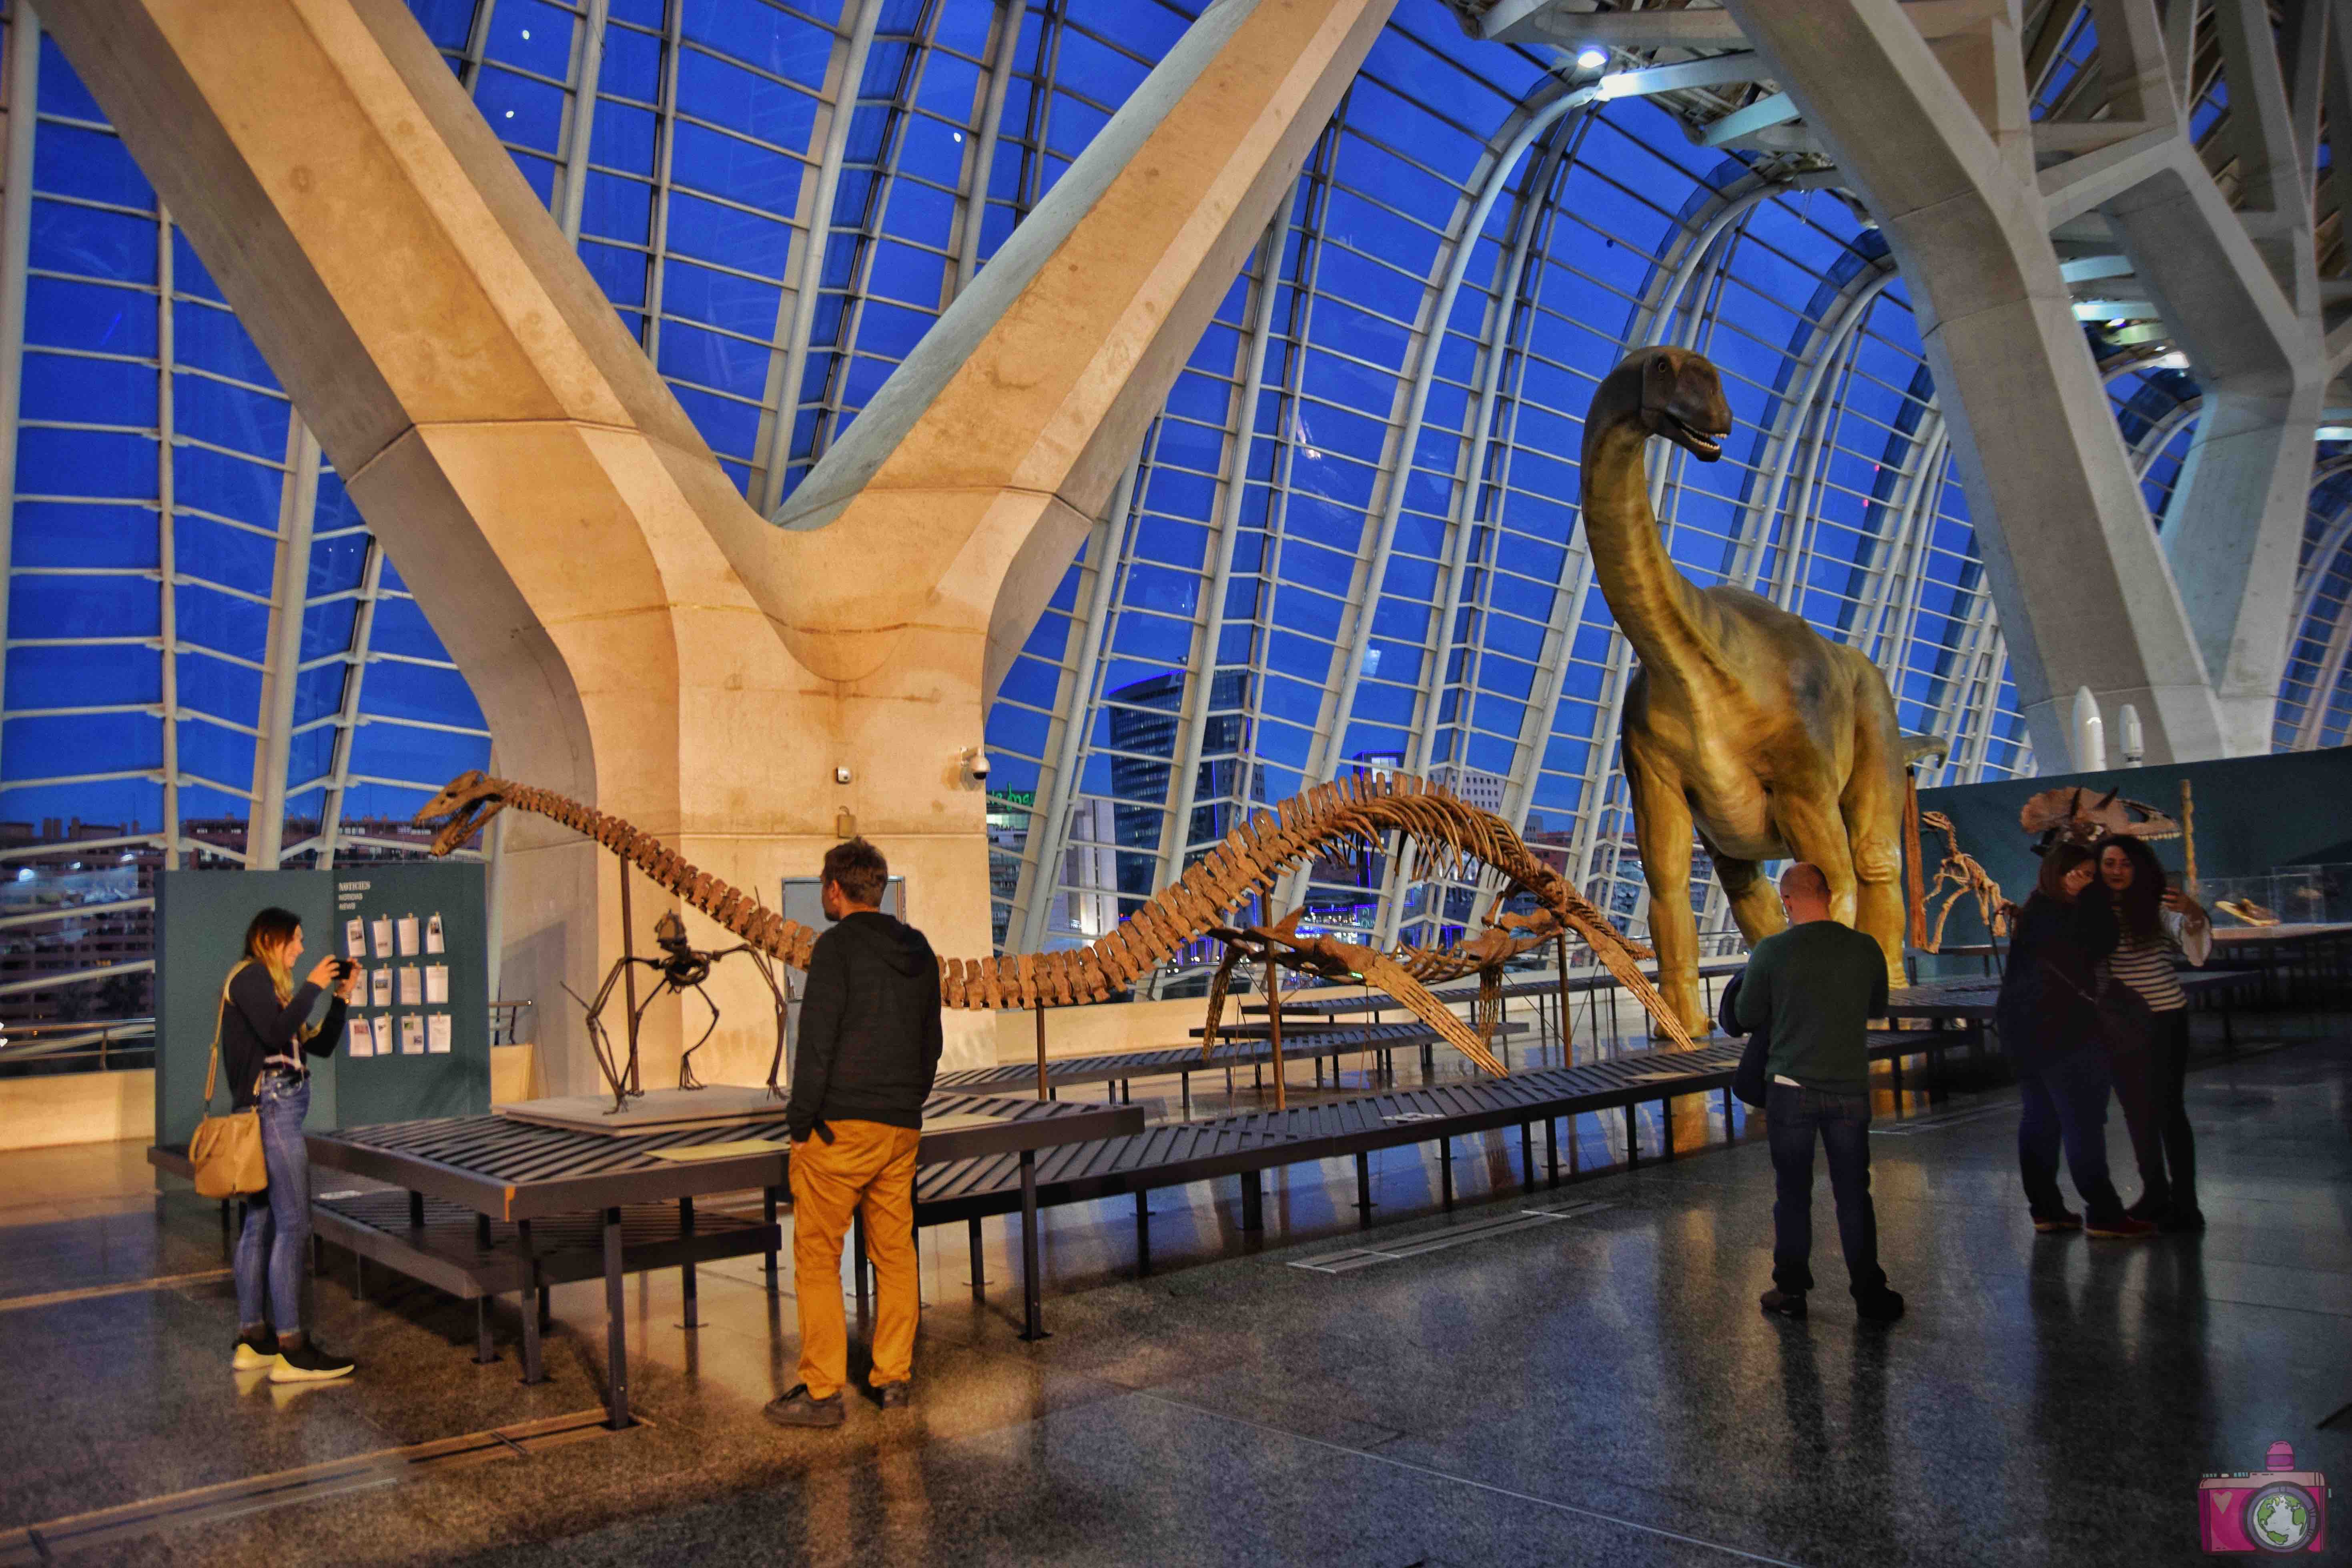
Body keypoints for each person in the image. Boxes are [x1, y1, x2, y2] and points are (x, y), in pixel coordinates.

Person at [767, 839, 943, 1429]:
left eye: (825, 886)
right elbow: (931, 1043)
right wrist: (907, 1103)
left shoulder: (835, 949)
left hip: (840, 1128)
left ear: (836, 889)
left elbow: (816, 1045)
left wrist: (800, 1122)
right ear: (882, 888)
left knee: (818, 1256)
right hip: (900, 1130)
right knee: (895, 1254)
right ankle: (892, 1378)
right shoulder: (918, 948)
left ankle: (822, 1392)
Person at [1736, 863, 1905, 1323]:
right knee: (1854, 1193)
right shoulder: (1865, 947)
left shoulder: (1772, 952)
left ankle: (1791, 1291)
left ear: (1787, 901)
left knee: (1793, 1192)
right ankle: (1869, 1292)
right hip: (1849, 1089)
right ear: (1828, 895)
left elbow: (1747, 1015)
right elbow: (1876, 1007)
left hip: (1790, 1090)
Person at [221, 907, 360, 1382]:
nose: (301, 950)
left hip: (276, 1107)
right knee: (295, 1223)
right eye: (295, 941)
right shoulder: (250, 978)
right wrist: (316, 985)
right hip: (274, 1109)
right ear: (269, 939)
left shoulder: (274, 990)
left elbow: (315, 1046)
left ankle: (253, 1340)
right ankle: (293, 1348)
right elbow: (278, 1033)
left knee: (261, 1222)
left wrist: (340, 997)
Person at [1995, 843, 2157, 1239]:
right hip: (2066, 1032)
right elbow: (2101, 943)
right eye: (2079, 873)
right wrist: (2091, 899)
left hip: (2023, 1031)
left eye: (2090, 874)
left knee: (2041, 1120)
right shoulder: (2066, 913)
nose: (2084, 880)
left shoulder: (2035, 909)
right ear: (2057, 873)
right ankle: (2104, 1214)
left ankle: (2047, 1211)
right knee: (2082, 1122)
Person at [2092, 833, 2210, 1231]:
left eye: (2125, 864)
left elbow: (2191, 941)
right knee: (2137, 1112)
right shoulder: (2093, 908)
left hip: (2164, 1019)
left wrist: (2194, 910)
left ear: (2139, 867)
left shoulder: (2157, 904)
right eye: (2109, 864)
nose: (2117, 871)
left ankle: (2187, 1202)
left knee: (2169, 1111)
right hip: (2119, 1024)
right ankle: (2155, 1193)